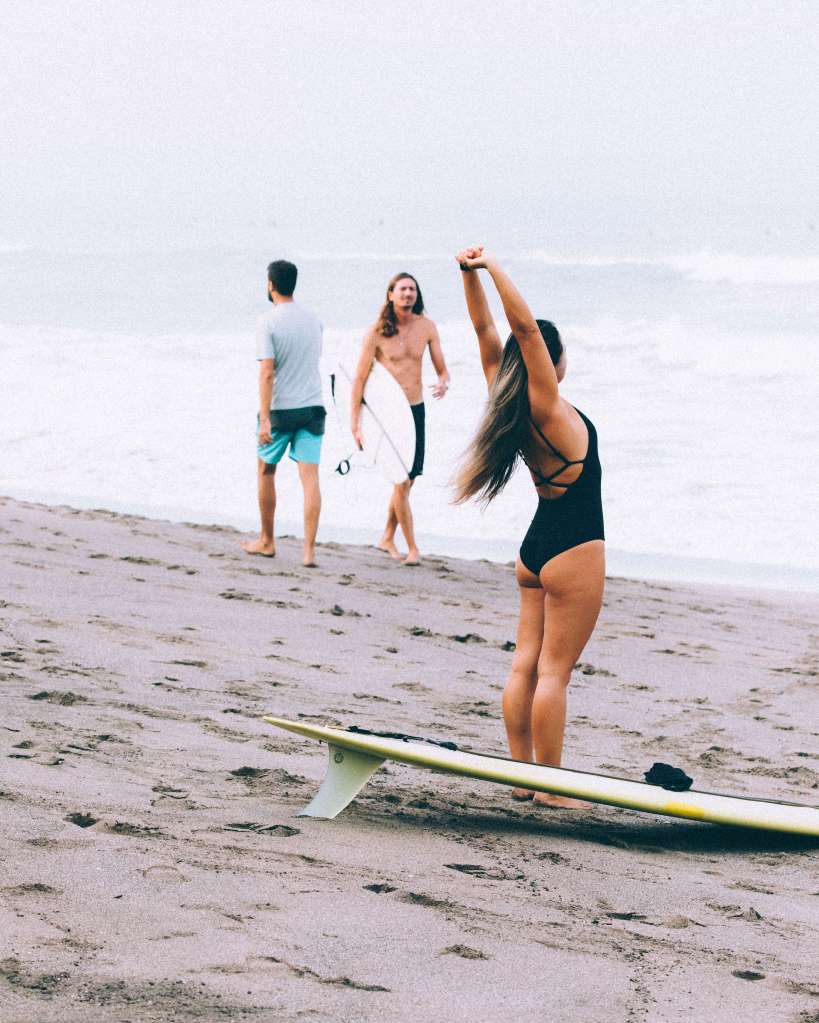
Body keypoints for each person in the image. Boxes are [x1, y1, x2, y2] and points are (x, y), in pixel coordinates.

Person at [453, 246, 605, 808]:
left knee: (526, 664)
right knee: (555, 673)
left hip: (534, 548)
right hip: (574, 547)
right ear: (550, 359)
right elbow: (517, 326)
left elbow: (485, 328)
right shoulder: (546, 405)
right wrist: (490, 267)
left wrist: (466, 275)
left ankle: (522, 775)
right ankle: (552, 788)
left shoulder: (508, 398)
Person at [351, 272, 450, 565]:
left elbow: (442, 369)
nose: (408, 294)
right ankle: (412, 548)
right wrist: (355, 423)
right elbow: (358, 378)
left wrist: (443, 381)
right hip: (389, 414)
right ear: (390, 294)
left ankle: (386, 536)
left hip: (415, 410)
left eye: (412, 289)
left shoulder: (427, 328)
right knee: (402, 482)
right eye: (402, 289)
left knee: (408, 480)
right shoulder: (377, 332)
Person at [241, 260, 324, 567]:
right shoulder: (314, 320)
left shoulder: (268, 321)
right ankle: (309, 552)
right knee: (310, 479)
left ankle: (266, 541)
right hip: (313, 408)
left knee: (266, 471)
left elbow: (267, 372)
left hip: (280, 410)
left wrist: (264, 418)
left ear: (270, 285)